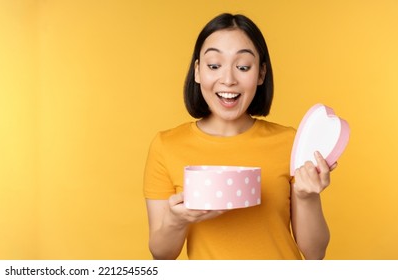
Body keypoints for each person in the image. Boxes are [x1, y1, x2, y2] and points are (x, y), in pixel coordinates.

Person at [143, 13, 336, 260]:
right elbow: (162, 254)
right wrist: (176, 220)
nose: (228, 79)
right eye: (214, 65)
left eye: (243, 67)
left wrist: (306, 195)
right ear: (198, 72)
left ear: (261, 74)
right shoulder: (166, 146)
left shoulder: (290, 142)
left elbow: (315, 252)